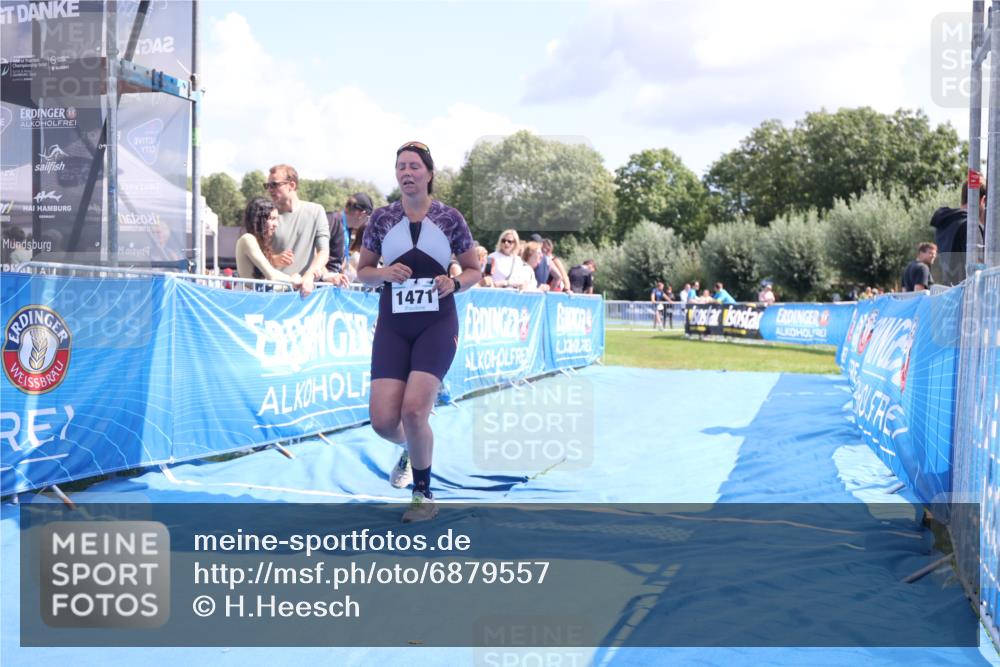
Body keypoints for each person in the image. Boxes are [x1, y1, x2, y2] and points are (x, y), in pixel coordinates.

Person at [356, 141, 480, 522]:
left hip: (436, 323)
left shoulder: (449, 218)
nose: (407, 173)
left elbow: (474, 269)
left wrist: (454, 283)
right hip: (393, 324)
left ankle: (423, 495)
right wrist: (384, 274)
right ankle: (412, 447)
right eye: (401, 167)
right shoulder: (381, 218)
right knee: (382, 422)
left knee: (413, 411)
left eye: (414, 166)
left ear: (428, 173)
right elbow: (362, 273)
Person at [265, 163, 338, 295]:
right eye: (267, 185)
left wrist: (309, 276)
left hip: (305, 294)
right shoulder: (267, 214)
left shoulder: (316, 211)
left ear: (292, 185)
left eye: (274, 184)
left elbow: (323, 252)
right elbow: (256, 255)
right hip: (274, 293)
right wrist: (274, 259)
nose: (270, 189)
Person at [235, 197, 302, 289]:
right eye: (272, 218)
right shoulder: (247, 239)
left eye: (276, 219)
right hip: (250, 300)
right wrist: (292, 280)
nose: (276, 224)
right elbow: (272, 276)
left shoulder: (257, 242)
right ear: (258, 219)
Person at [930, 179, 986, 286]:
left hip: (948, 294)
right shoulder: (972, 227)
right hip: (967, 297)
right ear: (983, 200)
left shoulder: (946, 223)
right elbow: (978, 270)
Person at [327, 193, 373, 276]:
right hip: (320, 283)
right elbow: (315, 252)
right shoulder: (331, 220)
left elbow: (337, 259)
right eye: (367, 218)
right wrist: (327, 275)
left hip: (333, 282)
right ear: (362, 214)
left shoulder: (348, 229)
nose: (366, 222)